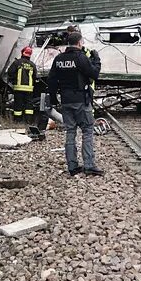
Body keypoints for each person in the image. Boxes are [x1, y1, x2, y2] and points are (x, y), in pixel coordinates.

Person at [47, 31, 103, 176]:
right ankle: (89, 165)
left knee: (70, 132)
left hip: (66, 101)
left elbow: (52, 80)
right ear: (79, 43)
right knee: (87, 131)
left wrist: (53, 99)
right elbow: (94, 74)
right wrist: (96, 59)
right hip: (80, 100)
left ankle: (72, 166)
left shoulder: (59, 59)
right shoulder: (80, 57)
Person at [5, 46, 37, 126]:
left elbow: (10, 72)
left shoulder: (17, 63)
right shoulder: (32, 65)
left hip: (19, 88)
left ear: (22, 52)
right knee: (29, 106)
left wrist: (13, 81)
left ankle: (17, 122)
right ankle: (28, 122)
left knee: (18, 106)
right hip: (29, 89)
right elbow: (35, 77)